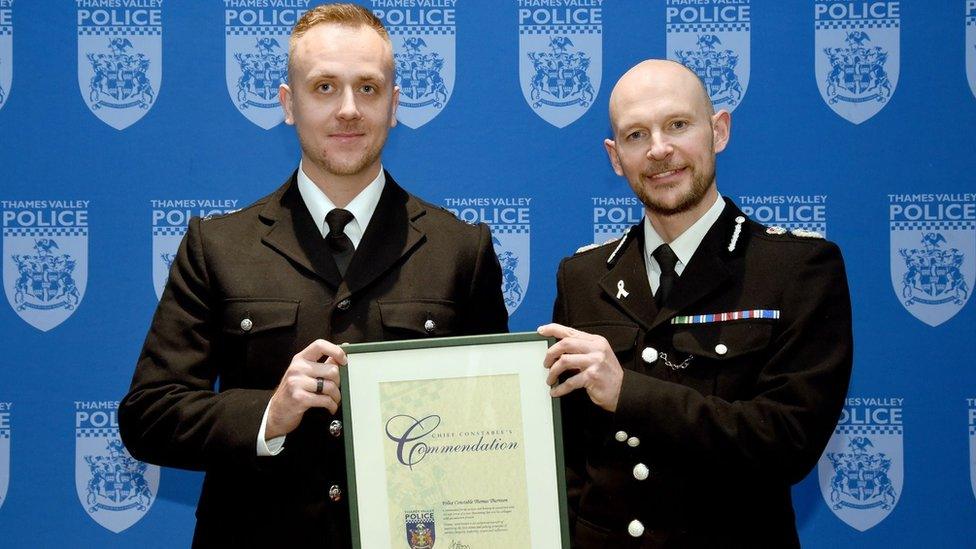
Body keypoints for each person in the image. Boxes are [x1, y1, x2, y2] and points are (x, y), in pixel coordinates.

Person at [118, 5, 507, 546]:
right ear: (288, 103)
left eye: (368, 89)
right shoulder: (217, 246)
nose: (348, 109)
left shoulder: (460, 249)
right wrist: (269, 414)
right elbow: (149, 416)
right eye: (324, 87)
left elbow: (493, 424)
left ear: (394, 106)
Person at [538, 59, 853, 547]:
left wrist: (629, 394)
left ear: (718, 130)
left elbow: (788, 442)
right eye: (636, 135)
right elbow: (568, 453)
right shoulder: (582, 277)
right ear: (615, 157)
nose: (660, 150)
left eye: (678, 125)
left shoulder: (797, 269)